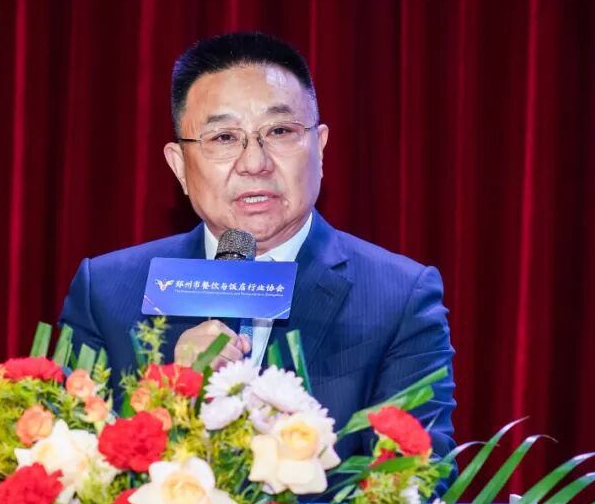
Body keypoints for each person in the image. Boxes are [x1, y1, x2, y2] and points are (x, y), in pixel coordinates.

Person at [58, 32, 456, 462]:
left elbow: (415, 480)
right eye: (223, 138)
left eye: (279, 131)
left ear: (320, 148)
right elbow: (67, 468)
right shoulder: (108, 293)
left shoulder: (398, 298)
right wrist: (172, 394)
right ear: (179, 165)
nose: (254, 163)